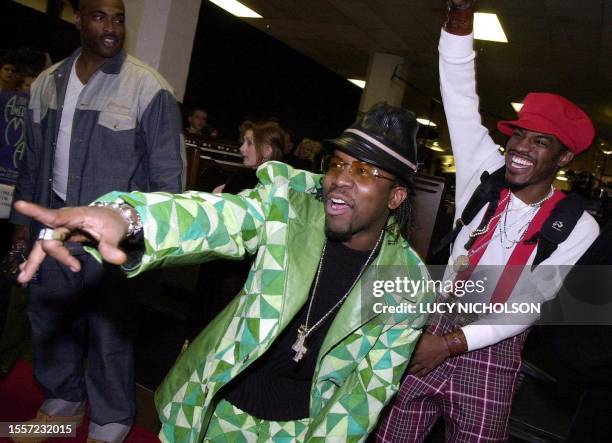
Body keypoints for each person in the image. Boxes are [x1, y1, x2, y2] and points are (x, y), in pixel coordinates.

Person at [14, 103, 433, 442]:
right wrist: (129, 218)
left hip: (302, 430)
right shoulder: (290, 207)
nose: (340, 180)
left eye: (363, 171)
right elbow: (218, 217)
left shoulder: (404, 283)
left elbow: (363, 397)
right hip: (214, 405)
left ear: (395, 196)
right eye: (337, 164)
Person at [376, 1, 600, 442]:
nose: (521, 146)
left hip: (492, 352)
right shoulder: (484, 168)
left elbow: (528, 306)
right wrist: (459, 20)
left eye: (541, 141)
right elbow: (459, 96)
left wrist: (453, 345)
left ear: (564, 157)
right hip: (433, 324)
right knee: (389, 434)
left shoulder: (577, 225)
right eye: (518, 133)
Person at [8, 0, 184, 441]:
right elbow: (32, 164)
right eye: (101, 17)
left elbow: (168, 180)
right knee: (49, 318)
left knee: (110, 333)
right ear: (79, 20)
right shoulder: (48, 84)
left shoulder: (148, 88)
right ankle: (63, 398)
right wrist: (22, 225)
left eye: (119, 18)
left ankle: (111, 418)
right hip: (53, 226)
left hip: (114, 238)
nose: (112, 28)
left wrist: (150, 242)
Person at [212, 120, 284, 193]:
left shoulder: (242, 178)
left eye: (249, 143)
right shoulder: (284, 182)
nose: (241, 148)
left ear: (267, 150)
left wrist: (215, 196)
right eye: (244, 142)